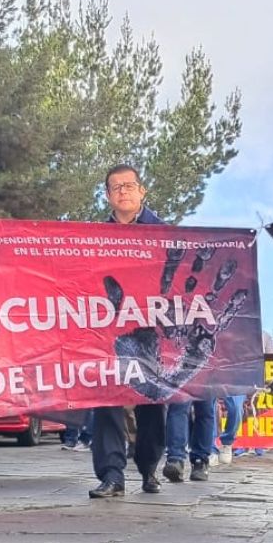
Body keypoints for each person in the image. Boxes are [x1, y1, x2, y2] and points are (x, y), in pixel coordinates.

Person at [89, 164, 168, 499]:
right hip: (107, 329)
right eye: (116, 187)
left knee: (151, 401)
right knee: (106, 399)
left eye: (129, 185)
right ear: (108, 195)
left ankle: (149, 467)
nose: (123, 191)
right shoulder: (91, 238)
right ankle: (111, 474)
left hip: (150, 328)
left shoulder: (165, 232)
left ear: (142, 191)